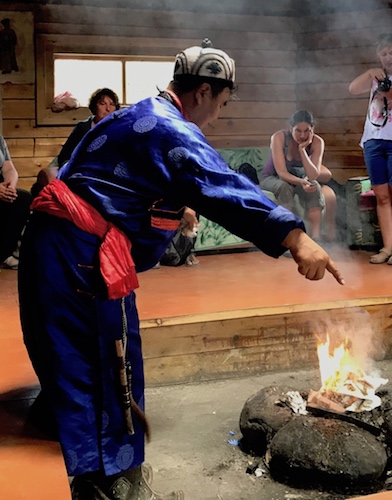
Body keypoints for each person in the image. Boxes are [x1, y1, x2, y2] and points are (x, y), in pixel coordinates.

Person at [18, 39, 345, 500]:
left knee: (71, 353)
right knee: (107, 360)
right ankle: (107, 485)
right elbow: (222, 184)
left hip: (53, 245)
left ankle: (66, 422)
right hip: (81, 257)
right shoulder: (171, 129)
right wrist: (296, 237)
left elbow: (116, 182)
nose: (216, 117)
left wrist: (176, 206)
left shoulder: (133, 114)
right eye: (222, 104)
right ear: (204, 91)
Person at [348, 32, 392, 265]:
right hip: (373, 140)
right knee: (381, 197)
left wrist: (391, 94)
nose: (388, 58)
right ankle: (386, 247)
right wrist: (369, 73)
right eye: (383, 54)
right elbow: (353, 89)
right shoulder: (376, 76)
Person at [260, 110, 337, 242]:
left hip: (298, 177)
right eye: (298, 130)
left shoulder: (317, 142)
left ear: (312, 130)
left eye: (306, 130)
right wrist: (301, 182)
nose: (302, 135)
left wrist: (303, 150)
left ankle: (315, 238)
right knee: (284, 187)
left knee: (314, 186)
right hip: (272, 177)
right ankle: (288, 237)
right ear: (291, 129)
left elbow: (313, 174)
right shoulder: (279, 137)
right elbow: (281, 173)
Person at [31, 88, 121, 198]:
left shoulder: (118, 130)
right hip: (76, 170)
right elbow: (65, 157)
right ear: (94, 107)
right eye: (103, 104)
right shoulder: (83, 128)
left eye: (112, 105)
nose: (108, 109)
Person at [0, 134, 32, 269]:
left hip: (2, 186)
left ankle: (4, 254)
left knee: (22, 198)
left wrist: (11, 187)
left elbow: (8, 168)